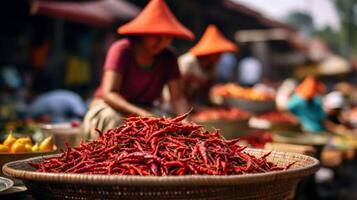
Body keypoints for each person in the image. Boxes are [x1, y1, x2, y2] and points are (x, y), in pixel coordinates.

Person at [83, 0, 193, 139]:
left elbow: (178, 97)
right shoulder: (122, 49)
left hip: (146, 109)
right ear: (143, 33)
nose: (161, 42)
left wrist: (187, 124)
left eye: (166, 37)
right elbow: (109, 93)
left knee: (171, 129)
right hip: (111, 107)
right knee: (115, 121)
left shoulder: (169, 57)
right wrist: (143, 115)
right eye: (155, 36)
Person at [178, 24, 237, 105]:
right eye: (217, 54)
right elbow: (177, 93)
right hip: (177, 103)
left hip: (194, 104)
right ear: (209, 53)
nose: (220, 57)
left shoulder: (213, 66)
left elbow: (206, 92)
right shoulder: (188, 62)